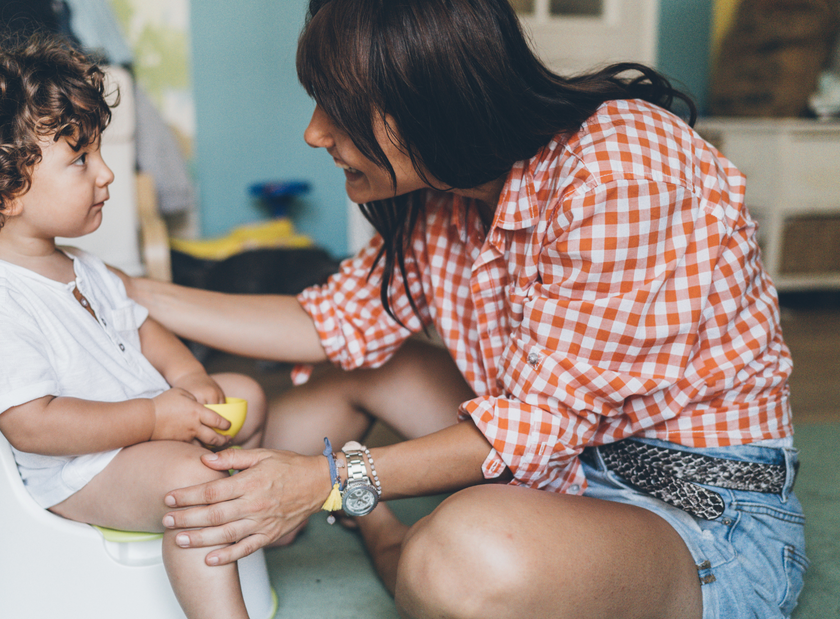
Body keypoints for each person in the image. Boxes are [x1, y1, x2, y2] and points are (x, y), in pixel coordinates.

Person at [115, 1, 807, 618]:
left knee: (460, 557)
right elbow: (325, 321)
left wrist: (329, 483)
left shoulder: (620, 169)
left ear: (427, 98)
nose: (314, 133)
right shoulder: (447, 194)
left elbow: (539, 425)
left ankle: (382, 533)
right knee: (368, 368)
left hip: (701, 515)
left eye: (335, 106)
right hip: (569, 462)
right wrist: (129, 291)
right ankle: (203, 492)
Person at [0, 32, 267, 619]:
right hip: (80, 472)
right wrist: (153, 417)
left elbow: (143, 328)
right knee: (202, 483)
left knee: (245, 393)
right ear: (3, 188)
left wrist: (188, 375)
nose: (107, 175)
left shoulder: (82, 267)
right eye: (81, 160)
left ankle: (253, 537)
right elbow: (35, 427)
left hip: (140, 431)